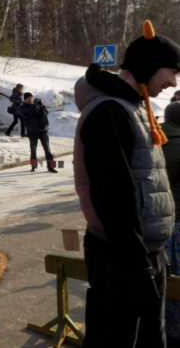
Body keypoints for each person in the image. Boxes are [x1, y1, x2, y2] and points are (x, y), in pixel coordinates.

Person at [73, 20, 180, 348]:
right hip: (122, 259)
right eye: (171, 71)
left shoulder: (133, 106)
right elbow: (113, 197)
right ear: (149, 66)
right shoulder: (110, 111)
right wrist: (139, 267)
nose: (174, 81)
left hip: (142, 254)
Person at [162, 102, 180, 347]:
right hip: (178, 222)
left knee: (164, 278)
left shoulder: (154, 139)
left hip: (159, 222)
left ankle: (167, 327)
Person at [20, 93, 57, 173]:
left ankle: (51, 167)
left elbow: (46, 113)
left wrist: (41, 105)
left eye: (31, 97)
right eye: (29, 98)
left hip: (43, 130)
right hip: (32, 131)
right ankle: (33, 166)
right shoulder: (23, 107)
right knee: (33, 150)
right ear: (25, 99)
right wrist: (35, 106)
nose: (31, 99)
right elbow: (25, 116)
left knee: (47, 149)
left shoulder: (37, 105)